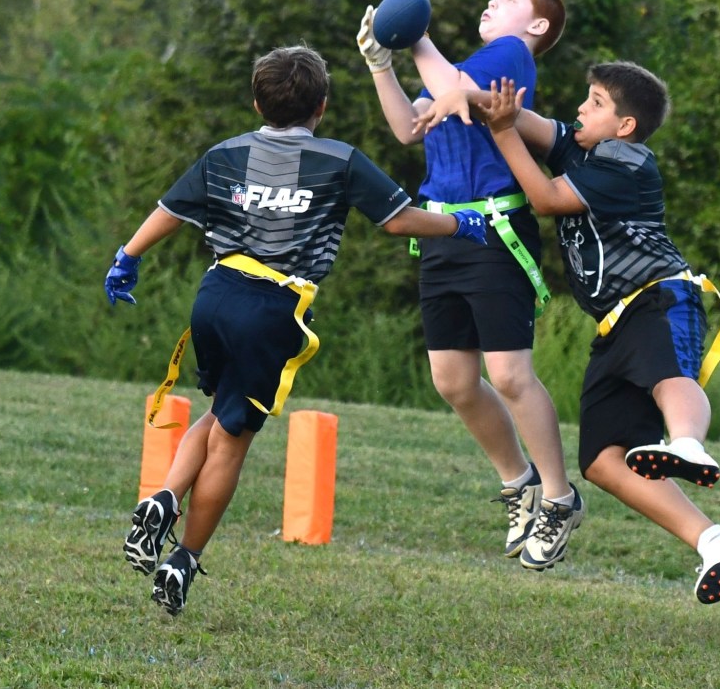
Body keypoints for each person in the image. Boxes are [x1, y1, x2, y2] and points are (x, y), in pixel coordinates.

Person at [104, 45, 488, 616]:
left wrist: (127, 256)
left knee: (216, 411)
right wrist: (460, 223)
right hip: (272, 308)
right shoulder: (339, 160)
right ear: (322, 108)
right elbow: (399, 220)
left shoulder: (225, 153)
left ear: (257, 101)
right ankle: (184, 557)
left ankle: (164, 495)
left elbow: (171, 210)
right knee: (233, 440)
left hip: (215, 294)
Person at [415, 63, 720, 603]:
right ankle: (715, 540)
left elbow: (547, 199)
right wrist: (463, 87)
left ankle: (689, 443)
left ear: (624, 125)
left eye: (595, 102)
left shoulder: (628, 162)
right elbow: (518, 115)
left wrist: (502, 131)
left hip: (658, 294)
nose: (580, 108)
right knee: (601, 459)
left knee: (667, 375)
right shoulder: (577, 145)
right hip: (612, 323)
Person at [355, 0, 583, 570]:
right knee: (453, 381)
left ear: (535, 27)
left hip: (493, 230)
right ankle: (520, 482)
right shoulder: (469, 66)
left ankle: (560, 497)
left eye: (508, 0)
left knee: (508, 375)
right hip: (444, 231)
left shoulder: (511, 56)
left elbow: (453, 90)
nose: (491, 2)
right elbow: (411, 127)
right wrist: (382, 64)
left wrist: (416, 35)